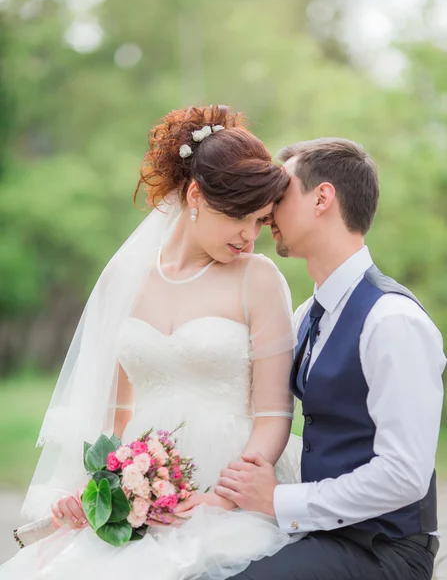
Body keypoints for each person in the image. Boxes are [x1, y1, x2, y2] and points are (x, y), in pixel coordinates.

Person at [0, 105, 303, 579]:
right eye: (239, 217)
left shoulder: (258, 279)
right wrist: (97, 487)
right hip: (141, 491)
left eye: (261, 221)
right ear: (197, 194)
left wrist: (222, 498)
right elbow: (114, 415)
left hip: (229, 480)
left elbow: (273, 417)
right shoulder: (124, 276)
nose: (249, 236)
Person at [216, 138, 446, 580]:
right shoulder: (307, 315)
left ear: (322, 198)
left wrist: (279, 501)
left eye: (280, 195)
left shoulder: (391, 320)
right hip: (324, 535)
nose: (266, 212)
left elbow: (405, 475)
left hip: (384, 551)